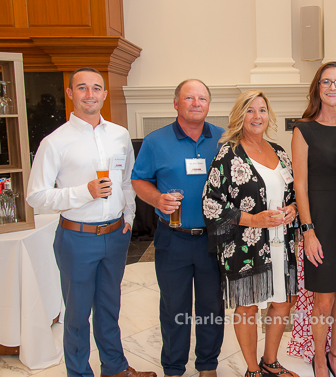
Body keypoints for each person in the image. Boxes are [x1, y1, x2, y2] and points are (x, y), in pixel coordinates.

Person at [26, 67, 155, 377]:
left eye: (96, 88)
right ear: (70, 94)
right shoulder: (54, 143)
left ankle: (115, 368)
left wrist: (128, 217)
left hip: (115, 235)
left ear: (104, 94)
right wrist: (82, 193)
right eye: (82, 88)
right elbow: (36, 196)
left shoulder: (119, 135)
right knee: (78, 315)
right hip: (77, 238)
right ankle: (79, 373)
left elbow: (127, 181)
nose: (90, 94)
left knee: (110, 308)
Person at [131, 79, 224, 377]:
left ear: (209, 104)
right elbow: (138, 180)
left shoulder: (224, 140)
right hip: (173, 238)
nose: (196, 103)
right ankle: (173, 368)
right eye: (189, 98)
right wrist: (157, 198)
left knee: (212, 307)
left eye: (202, 98)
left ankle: (208, 365)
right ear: (176, 103)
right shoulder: (155, 141)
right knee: (174, 309)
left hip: (214, 239)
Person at [202, 90, 298, 377]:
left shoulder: (279, 152)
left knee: (282, 303)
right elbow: (210, 203)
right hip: (245, 245)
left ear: (269, 115)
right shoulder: (228, 154)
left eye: (262, 110)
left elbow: (293, 193)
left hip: (281, 242)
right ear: (239, 116)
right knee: (248, 306)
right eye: (250, 110)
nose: (257, 116)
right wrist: (253, 219)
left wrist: (294, 208)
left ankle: (271, 362)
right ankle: (253, 369)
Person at [290, 61, 336, 377]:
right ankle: (318, 360)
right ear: (317, 88)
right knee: (323, 300)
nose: (333, 87)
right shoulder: (303, 129)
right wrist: (308, 231)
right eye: (326, 82)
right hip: (321, 224)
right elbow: (300, 185)